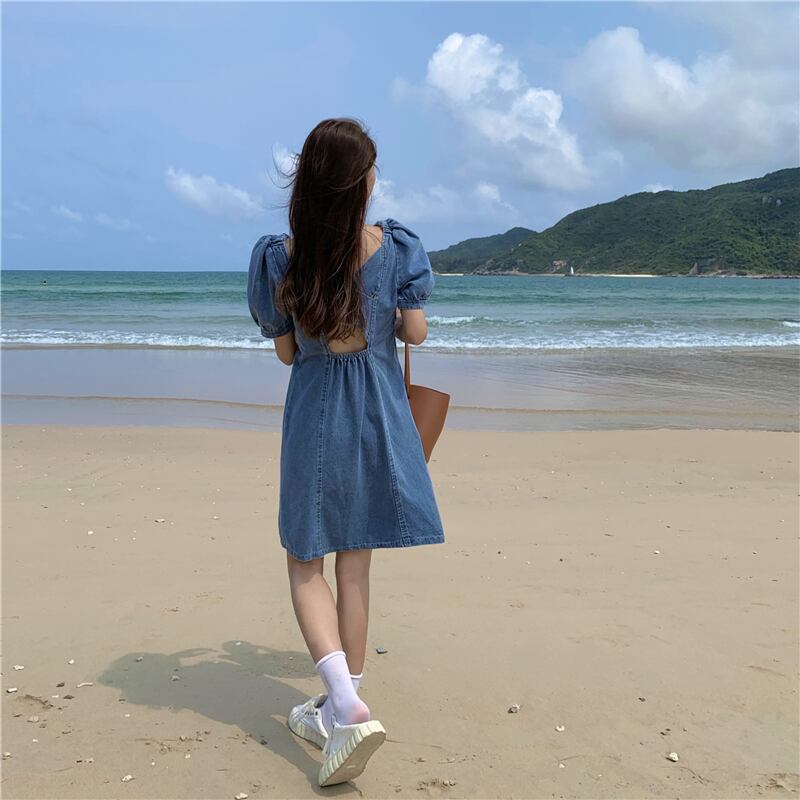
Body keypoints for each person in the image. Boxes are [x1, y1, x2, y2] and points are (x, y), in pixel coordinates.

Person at [246, 118, 445, 787]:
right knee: (354, 566)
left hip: (316, 415)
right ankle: (341, 708)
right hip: (378, 416)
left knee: (305, 561)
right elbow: (416, 330)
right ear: (364, 180)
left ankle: (343, 704)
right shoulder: (395, 245)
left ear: (306, 181)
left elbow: (286, 352)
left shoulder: (282, 256)